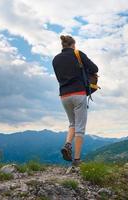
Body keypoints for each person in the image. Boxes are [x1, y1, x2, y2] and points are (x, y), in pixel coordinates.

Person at [52, 35, 98, 167]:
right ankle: (77, 160)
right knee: (80, 128)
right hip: (78, 93)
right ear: (73, 45)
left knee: (72, 123)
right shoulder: (78, 54)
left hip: (64, 96)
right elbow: (95, 69)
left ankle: (67, 144)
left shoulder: (55, 59)